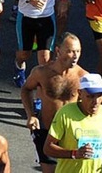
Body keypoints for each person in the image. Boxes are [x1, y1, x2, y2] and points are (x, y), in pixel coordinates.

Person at [21, 34, 84, 173]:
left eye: (78, 51)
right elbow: (26, 89)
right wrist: (31, 114)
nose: (75, 56)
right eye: (70, 51)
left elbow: (98, 99)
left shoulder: (83, 76)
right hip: (46, 131)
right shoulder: (42, 72)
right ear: (58, 50)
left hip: (71, 134)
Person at [44, 71, 102, 173]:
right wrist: (74, 154)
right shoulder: (65, 113)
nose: (96, 101)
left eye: (99, 95)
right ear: (80, 93)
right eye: (91, 96)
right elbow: (48, 148)